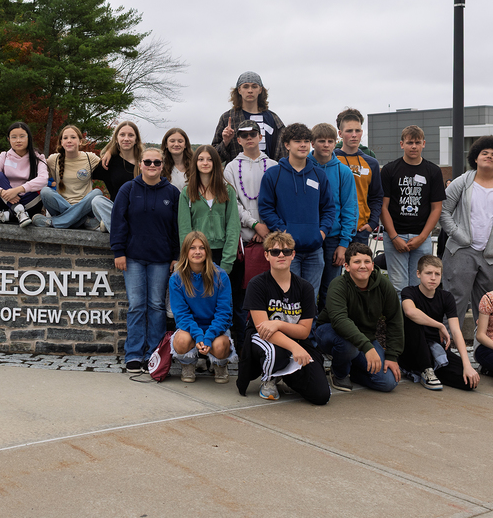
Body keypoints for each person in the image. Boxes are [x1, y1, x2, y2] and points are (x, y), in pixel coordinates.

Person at [236, 231, 330, 405]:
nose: (281, 255)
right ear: (266, 255)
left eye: (286, 251)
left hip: (295, 340)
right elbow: (263, 329)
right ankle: (269, 378)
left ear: (293, 255)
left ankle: (288, 376)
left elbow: (304, 331)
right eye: (275, 252)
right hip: (261, 339)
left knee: (321, 395)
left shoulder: (305, 288)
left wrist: (278, 324)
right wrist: (294, 347)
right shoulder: (257, 284)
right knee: (274, 353)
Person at [439, 135, 493, 324]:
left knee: (487, 304)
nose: (489, 156)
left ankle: (483, 350)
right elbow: (443, 211)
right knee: (454, 300)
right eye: (484, 153)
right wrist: (457, 234)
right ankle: (448, 348)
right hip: (460, 251)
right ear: (475, 158)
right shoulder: (461, 182)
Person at [110, 147, 179, 374]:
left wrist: (176, 257)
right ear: (140, 164)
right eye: (147, 162)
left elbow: (177, 228)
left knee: (157, 306)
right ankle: (134, 354)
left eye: (156, 162)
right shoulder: (128, 190)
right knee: (137, 305)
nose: (152, 166)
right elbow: (118, 221)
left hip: (160, 259)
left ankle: (155, 353)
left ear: (162, 165)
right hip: (133, 258)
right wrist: (118, 251)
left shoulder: (172, 192)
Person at [258, 123, 334, 304]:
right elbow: (265, 208)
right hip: (286, 251)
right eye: (297, 141)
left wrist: (321, 232)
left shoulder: (319, 175)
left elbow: (329, 208)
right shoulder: (273, 174)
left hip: (315, 250)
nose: (303, 145)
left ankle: (309, 333)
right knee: (288, 299)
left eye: (306, 141)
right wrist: (283, 233)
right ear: (286, 145)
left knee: (310, 300)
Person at [313, 242, 403, 393]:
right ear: (347, 267)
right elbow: (339, 320)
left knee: (388, 383)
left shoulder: (384, 286)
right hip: (330, 332)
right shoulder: (338, 285)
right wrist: (367, 348)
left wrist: (392, 356)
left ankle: (353, 370)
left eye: (367, 261)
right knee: (349, 346)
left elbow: (395, 320)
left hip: (365, 338)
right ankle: (340, 373)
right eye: (357, 262)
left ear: (372, 265)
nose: (363, 266)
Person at [223, 120, 274, 347]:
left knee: (269, 293)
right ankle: (244, 345)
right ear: (238, 140)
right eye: (244, 135)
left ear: (260, 136)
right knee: (242, 295)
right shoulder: (231, 168)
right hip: (243, 242)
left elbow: (276, 201)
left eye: (253, 133)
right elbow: (233, 203)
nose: (249, 137)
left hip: (270, 241)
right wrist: (254, 225)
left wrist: (266, 229)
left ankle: (269, 342)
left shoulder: (273, 165)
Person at [379, 125, 445, 294]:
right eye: (409, 142)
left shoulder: (433, 171)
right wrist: (393, 237)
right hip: (395, 235)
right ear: (402, 144)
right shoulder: (389, 170)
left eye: (417, 142)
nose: (413, 146)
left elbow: (437, 208)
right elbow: (383, 206)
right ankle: (401, 321)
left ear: (424, 144)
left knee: (420, 286)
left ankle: (416, 320)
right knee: (399, 286)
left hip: (421, 236)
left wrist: (423, 237)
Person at [399, 255, 479, 391]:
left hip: (434, 349)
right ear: (418, 274)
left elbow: (455, 331)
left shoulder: (446, 297)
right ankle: (425, 369)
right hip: (411, 348)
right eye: (428, 273)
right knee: (415, 320)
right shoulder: (409, 292)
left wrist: (467, 365)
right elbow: (410, 312)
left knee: (467, 382)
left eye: (437, 274)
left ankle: (430, 370)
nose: (433, 278)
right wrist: (439, 325)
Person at [169, 232, 233, 384]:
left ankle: (220, 365)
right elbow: (181, 314)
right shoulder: (177, 279)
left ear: (207, 252)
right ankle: (188, 364)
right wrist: (198, 335)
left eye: (201, 248)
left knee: (220, 345)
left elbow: (224, 313)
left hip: (216, 329)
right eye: (192, 248)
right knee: (181, 340)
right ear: (185, 251)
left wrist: (209, 336)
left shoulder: (221, 276)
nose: (197, 252)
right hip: (190, 328)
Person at [309, 123, 358, 311]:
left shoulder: (343, 171)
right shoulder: (303, 166)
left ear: (335, 142)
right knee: (308, 289)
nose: (326, 145)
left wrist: (344, 243)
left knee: (330, 289)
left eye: (330, 141)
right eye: (321, 141)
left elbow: (349, 208)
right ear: (313, 143)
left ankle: (326, 331)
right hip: (308, 237)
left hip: (333, 239)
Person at [178, 144, 239, 273]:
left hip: (222, 253)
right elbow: (184, 230)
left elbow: (233, 227)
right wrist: (188, 257)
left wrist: (227, 261)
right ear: (195, 162)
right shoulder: (187, 192)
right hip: (197, 253)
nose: (205, 163)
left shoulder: (228, 191)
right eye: (201, 159)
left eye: (209, 159)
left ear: (216, 162)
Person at [35, 125, 103, 229]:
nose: (69, 140)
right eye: (65, 138)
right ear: (61, 142)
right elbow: (37, 171)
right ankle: (82, 220)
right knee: (45, 192)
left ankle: (54, 222)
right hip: (59, 207)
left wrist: (109, 152)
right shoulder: (54, 159)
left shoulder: (90, 158)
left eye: (73, 137)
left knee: (97, 193)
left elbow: (108, 164)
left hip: (85, 206)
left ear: (80, 141)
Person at [0, 122, 48, 226]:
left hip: (29, 200)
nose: (18, 140)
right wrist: (3, 193)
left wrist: (17, 190)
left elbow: (43, 179)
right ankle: (18, 211)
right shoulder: (4, 156)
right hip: (5, 201)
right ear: (9, 139)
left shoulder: (38, 158)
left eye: (22, 136)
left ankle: (6, 216)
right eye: (14, 137)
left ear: (28, 138)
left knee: (43, 190)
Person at [212, 71, 285, 163]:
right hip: (237, 174)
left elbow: (284, 152)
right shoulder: (227, 118)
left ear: (260, 90)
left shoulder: (273, 119)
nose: (250, 90)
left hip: (269, 174)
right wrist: (225, 142)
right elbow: (214, 158)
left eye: (254, 86)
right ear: (239, 90)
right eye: (245, 86)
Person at [334, 108, 382, 247]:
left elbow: (377, 196)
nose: (354, 135)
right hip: (334, 231)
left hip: (360, 229)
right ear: (340, 133)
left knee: (359, 268)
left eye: (358, 131)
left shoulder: (371, 163)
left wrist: (372, 223)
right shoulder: (330, 160)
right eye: (349, 131)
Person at [91, 121, 143, 232]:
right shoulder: (109, 162)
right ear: (116, 138)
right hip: (116, 209)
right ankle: (126, 231)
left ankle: (113, 227)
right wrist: (109, 151)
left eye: (131, 135)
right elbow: (86, 176)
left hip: (140, 210)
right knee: (97, 200)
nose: (126, 138)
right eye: (122, 135)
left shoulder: (145, 162)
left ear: (136, 139)